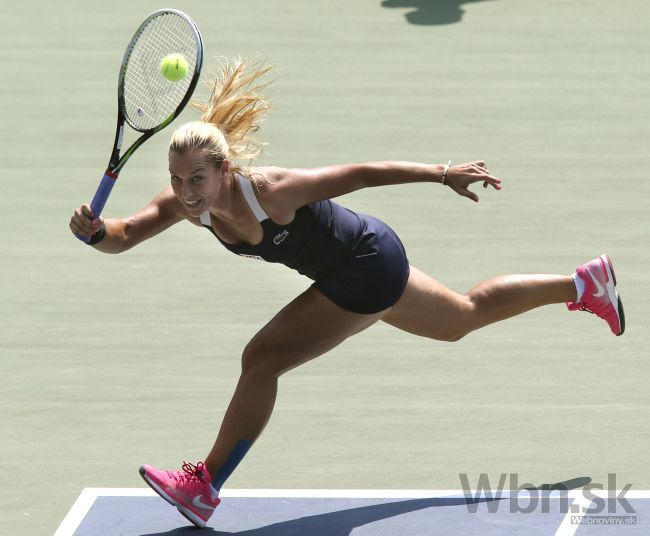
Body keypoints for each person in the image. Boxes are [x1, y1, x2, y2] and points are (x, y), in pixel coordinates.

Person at [69, 58, 625, 528]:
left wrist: (443, 172)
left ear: (224, 171)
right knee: (462, 317)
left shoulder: (272, 191)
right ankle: (583, 283)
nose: (185, 193)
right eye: (176, 179)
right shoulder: (187, 208)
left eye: (196, 180)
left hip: (366, 265)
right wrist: (96, 233)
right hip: (354, 268)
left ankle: (204, 485)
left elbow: (361, 172)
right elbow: (125, 235)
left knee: (261, 359)